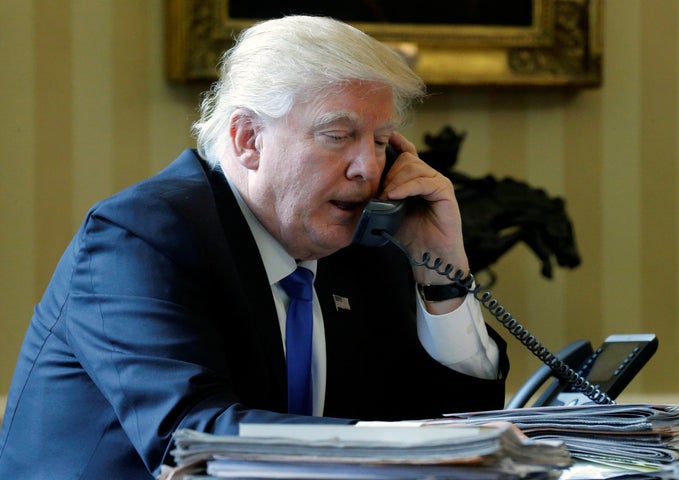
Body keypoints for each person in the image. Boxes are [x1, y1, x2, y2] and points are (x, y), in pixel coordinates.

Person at [0, 15, 509, 480]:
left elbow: (463, 430)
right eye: (338, 135)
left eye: (380, 142)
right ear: (248, 139)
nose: (367, 169)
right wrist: (401, 445)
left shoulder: (365, 249)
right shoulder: (141, 238)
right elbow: (192, 441)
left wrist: (440, 272)